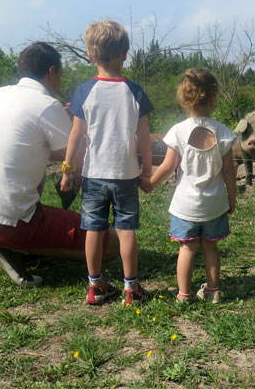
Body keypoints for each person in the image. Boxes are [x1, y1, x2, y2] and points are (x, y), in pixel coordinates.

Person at [0, 42, 119, 287]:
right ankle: (15, 250)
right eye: (61, 75)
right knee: (110, 245)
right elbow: (78, 154)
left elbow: (35, 146)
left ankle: (15, 246)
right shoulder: (46, 104)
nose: (60, 81)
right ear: (52, 71)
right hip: (7, 225)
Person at [60, 20, 153, 306]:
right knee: (126, 231)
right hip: (125, 175)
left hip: (93, 175)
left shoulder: (84, 92)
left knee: (93, 229)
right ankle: (131, 288)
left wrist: (67, 171)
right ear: (125, 53)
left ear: (90, 55)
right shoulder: (135, 92)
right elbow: (144, 138)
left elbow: (76, 136)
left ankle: (95, 287)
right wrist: (147, 171)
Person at [147, 69, 237, 304]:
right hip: (215, 205)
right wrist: (232, 199)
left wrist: (150, 184)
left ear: (185, 100)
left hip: (185, 206)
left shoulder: (178, 131)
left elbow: (167, 166)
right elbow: (230, 171)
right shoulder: (224, 133)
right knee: (210, 247)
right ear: (214, 99)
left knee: (187, 249)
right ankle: (213, 291)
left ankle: (184, 294)